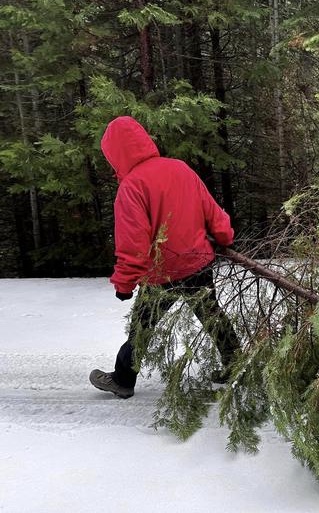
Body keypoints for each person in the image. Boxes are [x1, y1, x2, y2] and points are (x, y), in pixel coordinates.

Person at [89, 116, 239, 399]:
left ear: (116, 154)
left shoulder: (131, 187)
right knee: (211, 315)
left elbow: (132, 243)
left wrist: (124, 284)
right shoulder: (179, 168)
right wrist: (225, 238)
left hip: (162, 273)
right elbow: (212, 211)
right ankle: (236, 364)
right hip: (198, 263)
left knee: (142, 328)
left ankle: (122, 380)